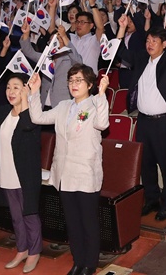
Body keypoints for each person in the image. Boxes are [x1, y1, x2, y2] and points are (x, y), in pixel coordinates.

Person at [28, 65, 109, 275]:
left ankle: (90, 264)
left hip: (85, 172)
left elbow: (102, 124)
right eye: (71, 80)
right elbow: (37, 118)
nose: (74, 84)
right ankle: (78, 261)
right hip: (64, 173)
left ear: (90, 84)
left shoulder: (94, 104)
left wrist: (102, 95)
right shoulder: (63, 106)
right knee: (72, 223)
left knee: (88, 222)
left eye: (79, 80)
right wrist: (35, 91)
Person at [116, 14, 166, 222]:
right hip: (144, 121)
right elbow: (120, 52)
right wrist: (121, 29)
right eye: (148, 40)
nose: (149, 44)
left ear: (163, 44)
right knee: (146, 163)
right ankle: (151, 199)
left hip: (163, 122)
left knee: (165, 163)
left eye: (154, 41)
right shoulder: (141, 59)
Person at [0, 74, 42, 273]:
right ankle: (21, 249)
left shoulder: (33, 114)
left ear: (25, 89)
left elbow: (28, 125)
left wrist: (28, 99)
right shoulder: (4, 112)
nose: (10, 92)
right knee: (15, 216)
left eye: (16, 87)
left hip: (25, 175)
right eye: (8, 88)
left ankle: (34, 251)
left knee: (29, 214)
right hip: (5, 173)